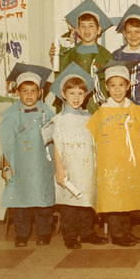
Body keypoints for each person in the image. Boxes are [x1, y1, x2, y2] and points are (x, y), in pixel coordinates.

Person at [87, 60, 140, 247]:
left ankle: (126, 231)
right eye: (113, 86)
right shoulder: (102, 111)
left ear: (128, 86)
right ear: (106, 87)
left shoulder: (136, 110)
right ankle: (117, 235)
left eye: (121, 85)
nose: (117, 90)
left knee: (127, 196)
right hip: (111, 163)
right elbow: (94, 136)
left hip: (128, 162)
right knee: (114, 198)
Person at [49, 63, 107, 249]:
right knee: (70, 204)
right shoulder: (59, 120)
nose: (76, 98)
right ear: (63, 94)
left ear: (86, 95)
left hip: (87, 165)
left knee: (87, 200)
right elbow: (57, 145)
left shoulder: (89, 117)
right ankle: (70, 235)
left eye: (80, 94)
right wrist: (59, 168)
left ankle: (88, 232)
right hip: (68, 166)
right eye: (72, 93)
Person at [0, 63, 55, 247]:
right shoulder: (11, 114)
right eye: (25, 91)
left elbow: (53, 137)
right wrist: (7, 163)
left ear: (40, 92)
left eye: (33, 91)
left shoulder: (47, 112)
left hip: (41, 163)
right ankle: (21, 234)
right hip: (20, 162)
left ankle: (44, 233)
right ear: (18, 92)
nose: (29, 95)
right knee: (21, 200)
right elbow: (6, 142)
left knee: (43, 199)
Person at [52, 0, 113, 113]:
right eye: (83, 26)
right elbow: (60, 80)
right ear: (77, 30)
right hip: (73, 105)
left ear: (99, 30)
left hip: (97, 106)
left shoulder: (105, 55)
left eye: (91, 26)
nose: (86, 30)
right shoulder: (69, 53)